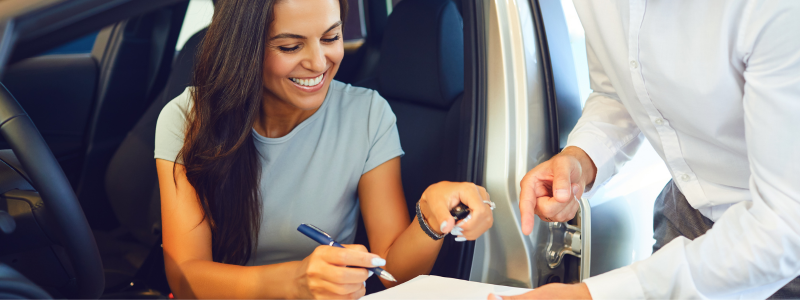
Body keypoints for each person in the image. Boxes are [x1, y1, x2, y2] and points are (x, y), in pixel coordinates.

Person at [154, 0, 494, 298]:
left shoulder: (368, 116)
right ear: (245, 48)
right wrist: (295, 283)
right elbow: (186, 278)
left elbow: (393, 276)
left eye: (331, 38)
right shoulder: (188, 118)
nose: (318, 63)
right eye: (290, 47)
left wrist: (430, 218)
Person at [493, 0, 800, 299]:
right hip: (686, 213)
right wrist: (580, 158)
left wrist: (591, 295)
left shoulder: (775, 10)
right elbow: (617, 92)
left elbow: (786, 223)